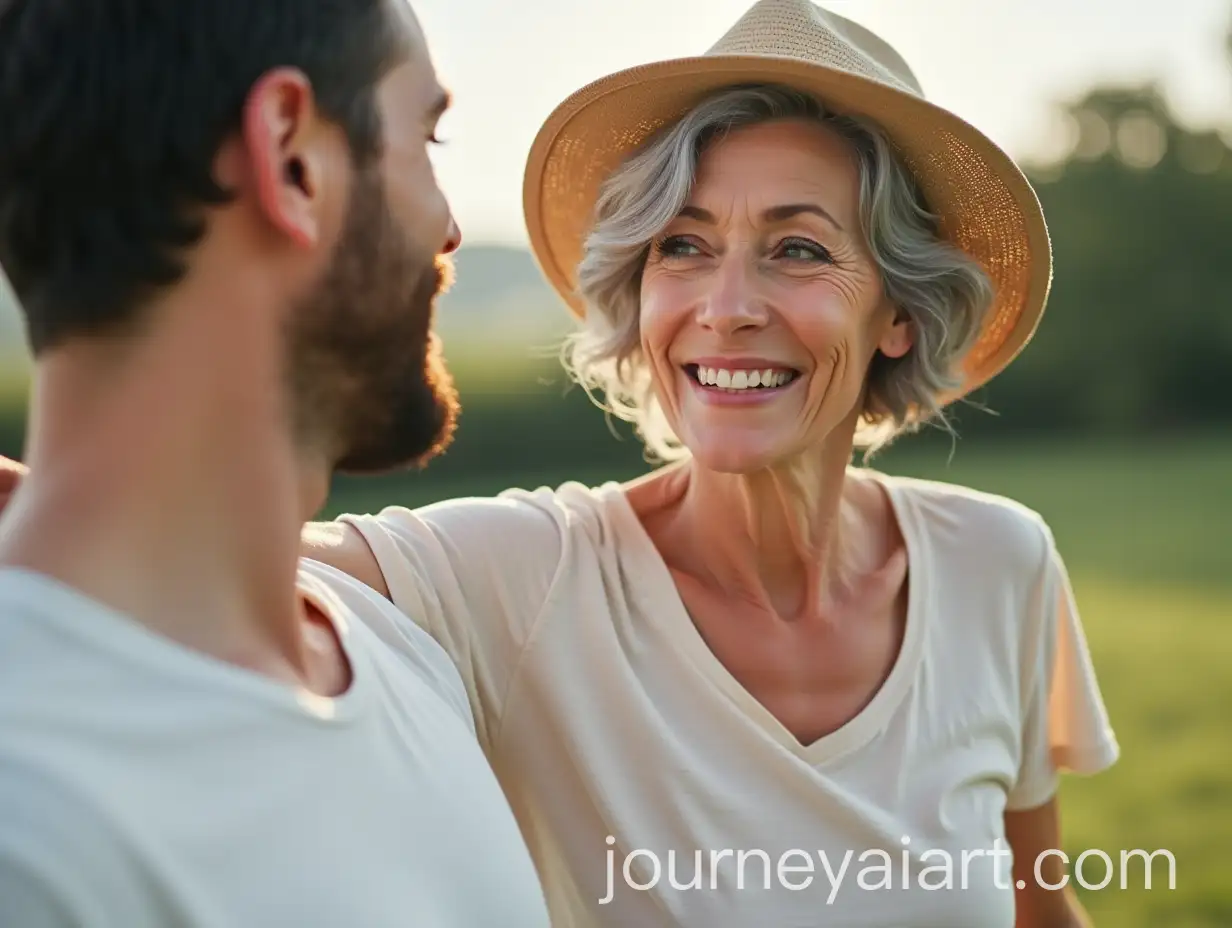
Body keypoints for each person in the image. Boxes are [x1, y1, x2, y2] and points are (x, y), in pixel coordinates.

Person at [293, 2, 1122, 926]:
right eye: (682, 246)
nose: (725, 308)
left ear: (899, 313)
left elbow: (1040, 910)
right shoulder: (527, 580)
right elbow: (188, 573)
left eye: (798, 249)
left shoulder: (999, 563)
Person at [0, 1, 550, 926]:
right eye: (427, 138)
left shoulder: (394, 654)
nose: (450, 228)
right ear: (292, 158)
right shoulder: (35, 821)